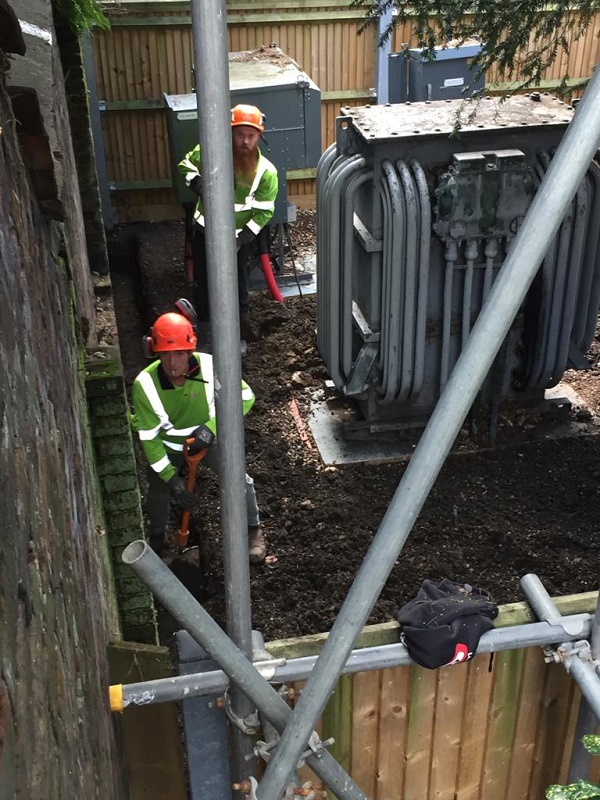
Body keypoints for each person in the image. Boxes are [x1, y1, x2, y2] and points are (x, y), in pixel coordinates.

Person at [130, 311, 266, 563]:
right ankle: (158, 539)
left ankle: (253, 529)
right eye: (165, 355)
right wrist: (173, 481)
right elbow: (149, 440)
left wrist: (211, 428)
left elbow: (246, 397)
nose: (172, 363)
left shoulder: (211, 367)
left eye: (179, 354)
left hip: (207, 440)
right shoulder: (145, 386)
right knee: (158, 492)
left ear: (190, 350)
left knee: (239, 478)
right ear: (154, 352)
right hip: (168, 447)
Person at [178, 103, 279, 351]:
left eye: (251, 136)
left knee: (238, 283)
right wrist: (199, 183)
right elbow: (186, 165)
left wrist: (244, 237)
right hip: (205, 231)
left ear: (259, 136)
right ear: (230, 134)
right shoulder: (210, 154)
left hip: (237, 238)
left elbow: (265, 210)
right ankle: (206, 332)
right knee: (203, 281)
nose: (245, 141)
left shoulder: (266, 172)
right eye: (240, 135)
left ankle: (237, 334)